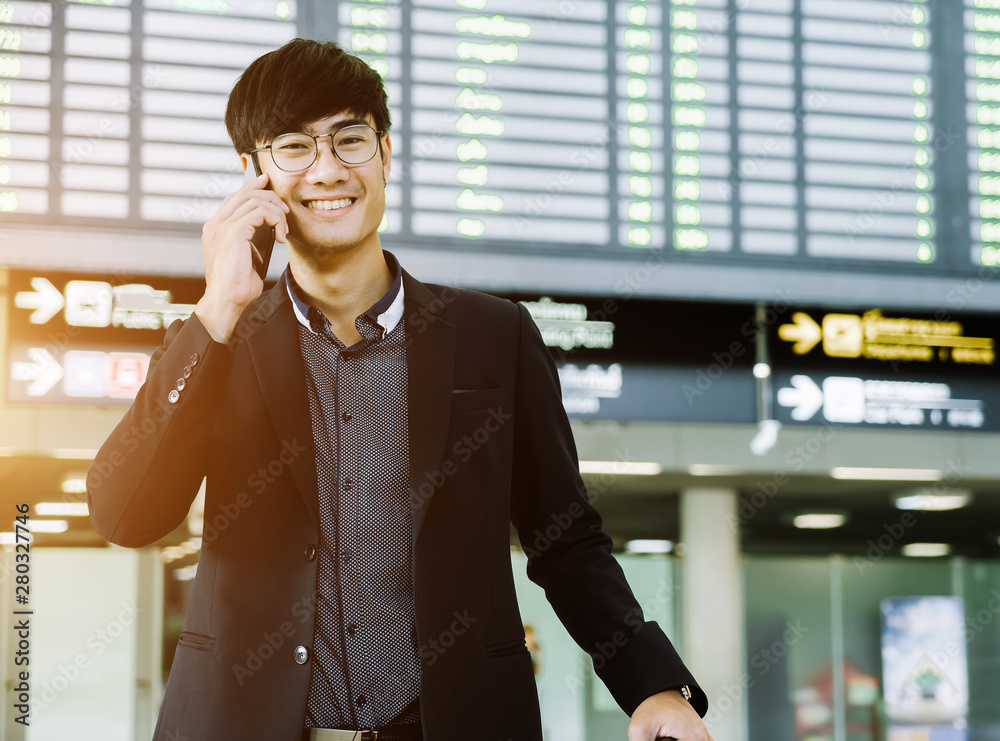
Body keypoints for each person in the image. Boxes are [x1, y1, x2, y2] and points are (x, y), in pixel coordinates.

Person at [87, 38, 713, 741]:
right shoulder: (215, 339)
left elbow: (564, 536)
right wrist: (216, 310)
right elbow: (126, 515)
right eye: (293, 147)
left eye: (349, 139)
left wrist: (651, 684)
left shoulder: (492, 334)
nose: (327, 169)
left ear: (386, 153)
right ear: (254, 175)